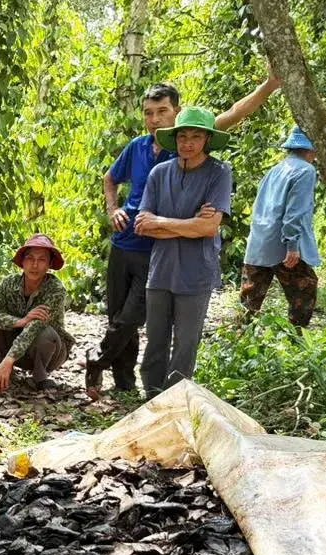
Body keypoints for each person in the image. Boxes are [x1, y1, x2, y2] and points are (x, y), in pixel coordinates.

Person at [86, 75, 280, 399]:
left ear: (177, 112)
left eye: (161, 111)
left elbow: (207, 226)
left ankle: (105, 363)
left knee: (137, 321)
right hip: (128, 244)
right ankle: (127, 387)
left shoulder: (206, 157)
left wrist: (270, 85)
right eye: (148, 112)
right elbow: (118, 189)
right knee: (124, 320)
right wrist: (114, 210)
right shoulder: (141, 150)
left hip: (165, 256)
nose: (154, 119)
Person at [135, 106, 235, 397]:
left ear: (206, 139)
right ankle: (150, 398)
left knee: (186, 342)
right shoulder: (159, 173)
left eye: (195, 136)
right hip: (161, 269)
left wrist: (162, 222)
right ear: (175, 138)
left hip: (196, 271)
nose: (187, 142)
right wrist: (190, 222)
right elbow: (142, 226)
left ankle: (175, 401)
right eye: (182, 136)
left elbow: (209, 229)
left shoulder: (219, 172)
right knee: (155, 340)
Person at [240, 126, 320, 327]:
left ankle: (240, 340)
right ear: (312, 149)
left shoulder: (275, 170)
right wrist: (292, 244)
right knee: (305, 290)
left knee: (250, 301)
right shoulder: (306, 171)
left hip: (259, 242)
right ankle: (297, 339)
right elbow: (295, 211)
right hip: (283, 246)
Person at [0, 234, 76, 394]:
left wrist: (9, 359)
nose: (35, 265)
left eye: (42, 260)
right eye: (30, 258)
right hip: (18, 349)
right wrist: (19, 322)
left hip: (50, 352)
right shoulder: (9, 283)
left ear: (49, 264)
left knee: (44, 331)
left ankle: (40, 376)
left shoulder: (55, 289)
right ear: (22, 261)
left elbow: (35, 326)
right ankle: (0, 371)